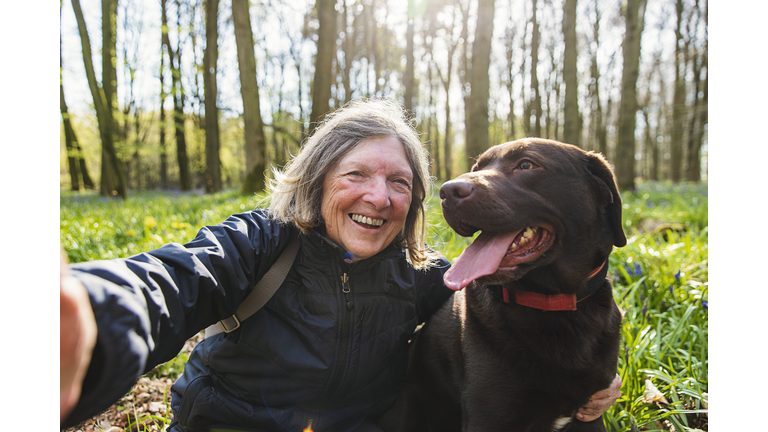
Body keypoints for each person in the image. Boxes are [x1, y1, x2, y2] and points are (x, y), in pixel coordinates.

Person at [60, 99, 621, 432]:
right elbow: (172, 282)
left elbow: (518, 317)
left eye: (398, 182)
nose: (378, 197)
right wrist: (93, 310)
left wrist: (590, 379)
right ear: (317, 179)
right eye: (356, 175)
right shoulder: (258, 244)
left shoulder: (425, 275)